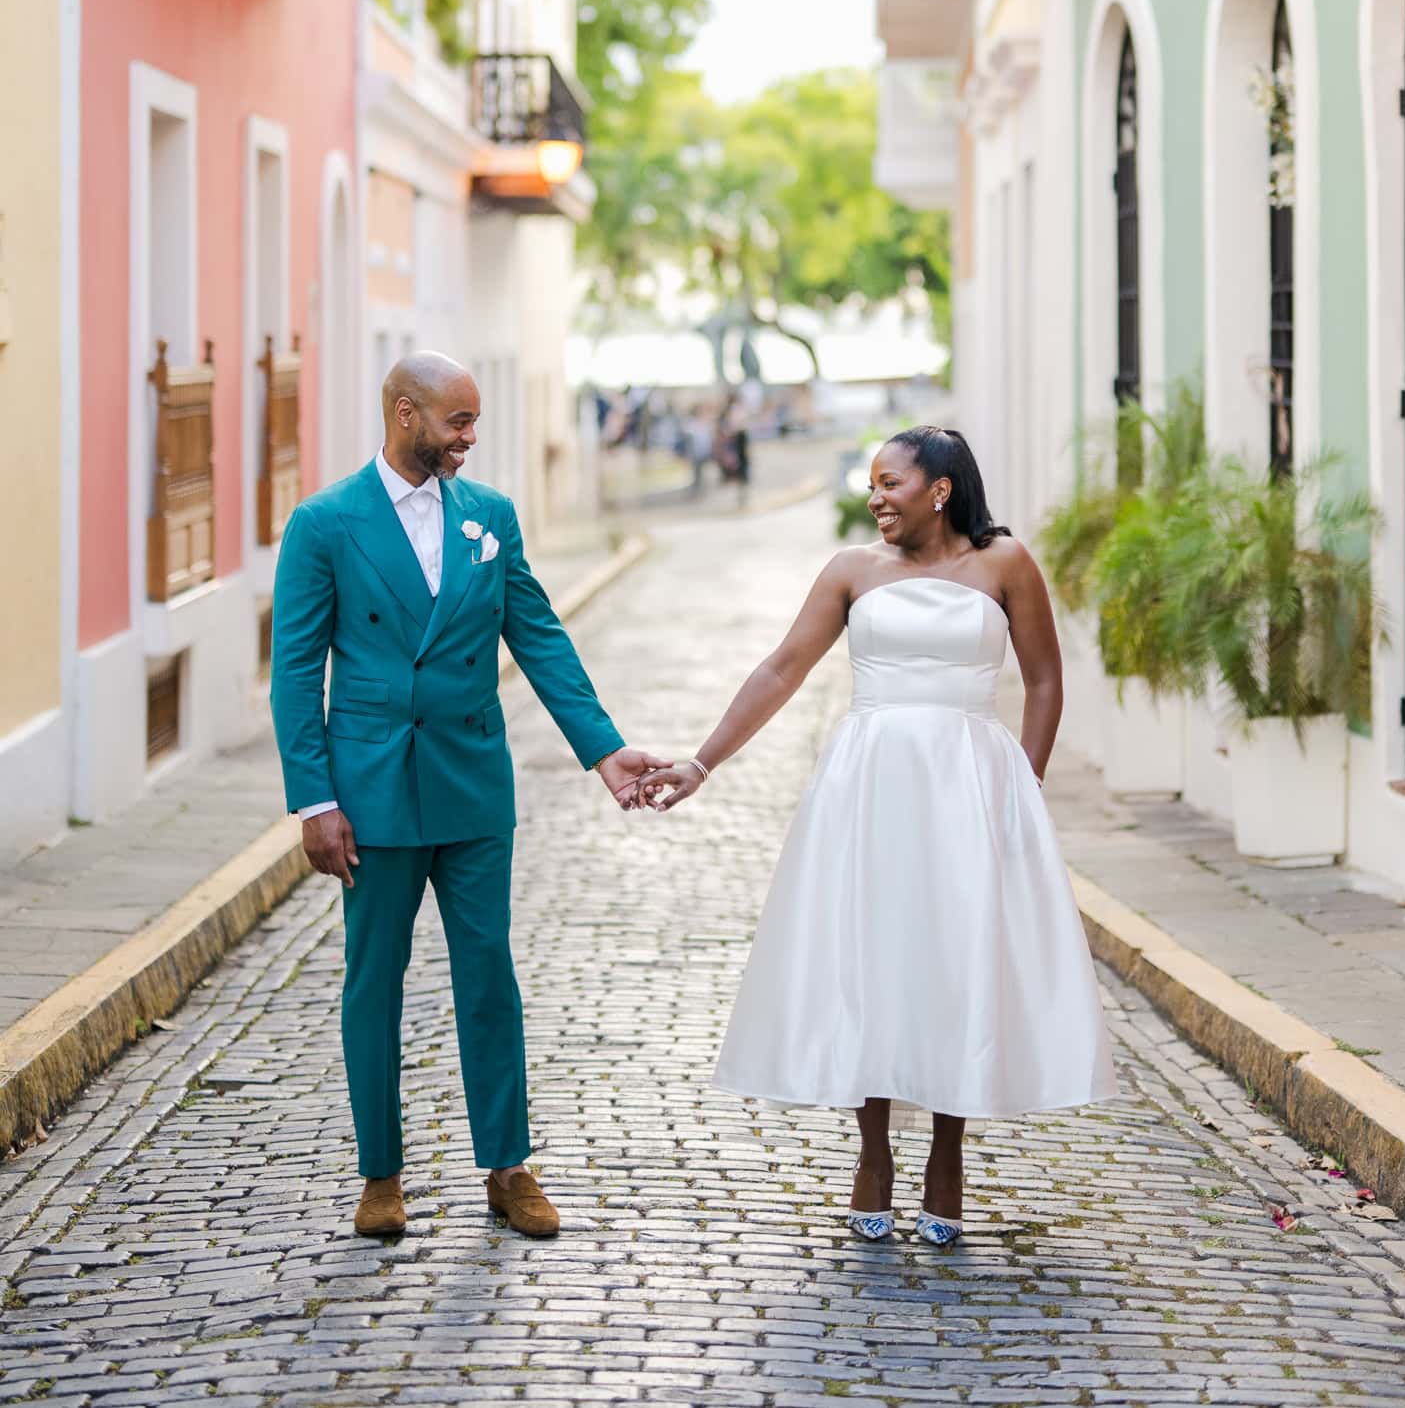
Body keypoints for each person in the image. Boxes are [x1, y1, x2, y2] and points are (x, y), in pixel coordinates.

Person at [638, 425, 1115, 1245]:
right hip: (870, 789)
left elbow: (1044, 680)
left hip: (970, 786)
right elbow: (782, 667)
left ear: (939, 489)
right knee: (873, 958)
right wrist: (701, 762)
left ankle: (948, 1156)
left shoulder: (1005, 565)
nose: (875, 497)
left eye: (890, 482)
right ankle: (872, 1155)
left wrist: (1023, 790)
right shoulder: (851, 572)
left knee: (961, 960)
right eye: (871, 483)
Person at [270, 351, 664, 1242]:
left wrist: (602, 749)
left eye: (475, 422)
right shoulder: (324, 524)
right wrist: (313, 800)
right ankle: (381, 1175)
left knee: (489, 974)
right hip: (370, 791)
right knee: (375, 982)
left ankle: (508, 1166)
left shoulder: (490, 517)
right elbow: (295, 672)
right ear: (406, 414)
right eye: (459, 423)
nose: (470, 440)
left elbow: (538, 633)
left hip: (474, 782)